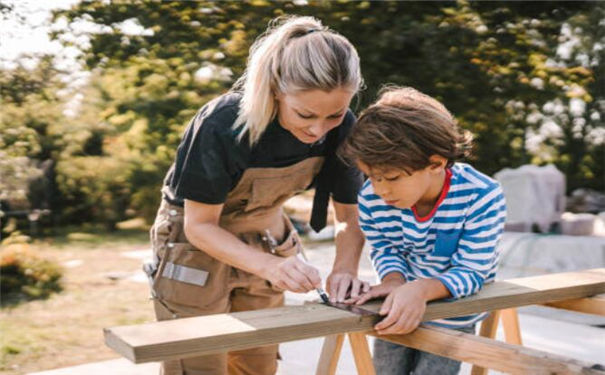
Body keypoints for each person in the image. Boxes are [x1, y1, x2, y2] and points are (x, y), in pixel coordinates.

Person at [145, 15, 368, 375]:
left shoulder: (342, 127)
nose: (319, 129)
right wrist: (272, 267)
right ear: (276, 88)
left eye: (334, 115)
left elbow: (348, 217)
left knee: (257, 363)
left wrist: (344, 270)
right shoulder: (223, 123)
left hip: (266, 234)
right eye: (305, 114)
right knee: (198, 361)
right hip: (193, 242)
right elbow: (200, 225)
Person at [339, 86, 506, 375]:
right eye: (372, 177)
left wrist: (421, 290)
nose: (380, 190)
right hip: (399, 303)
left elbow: (473, 271)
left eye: (391, 177)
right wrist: (394, 280)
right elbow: (385, 247)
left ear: (436, 163)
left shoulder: (481, 196)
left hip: (452, 312)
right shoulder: (372, 197)